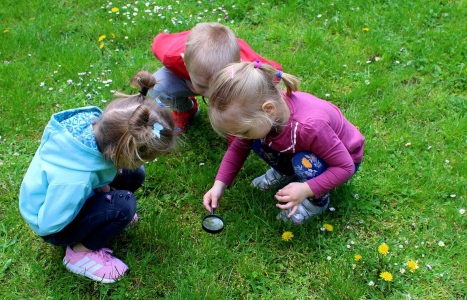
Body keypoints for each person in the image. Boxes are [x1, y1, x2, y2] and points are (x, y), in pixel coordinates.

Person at [19, 71, 175, 283]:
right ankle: (79, 253)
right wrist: (89, 199)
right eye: (142, 159)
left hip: (74, 189)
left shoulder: (99, 129)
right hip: (53, 221)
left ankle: (103, 214)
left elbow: (93, 169)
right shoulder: (74, 180)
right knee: (124, 207)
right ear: (124, 152)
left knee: (134, 175)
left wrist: (99, 185)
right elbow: (48, 224)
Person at [202, 61, 365, 225]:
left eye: (242, 131)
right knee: (256, 141)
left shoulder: (310, 127)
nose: (239, 137)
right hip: (304, 147)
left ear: (268, 110)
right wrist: (219, 185)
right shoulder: (266, 115)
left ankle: (315, 204)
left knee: (303, 161)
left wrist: (305, 189)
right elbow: (238, 148)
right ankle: (287, 172)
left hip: (342, 160)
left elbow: (345, 167)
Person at [150, 21, 287, 189]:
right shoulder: (171, 55)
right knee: (158, 86)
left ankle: (235, 129)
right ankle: (186, 109)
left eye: (216, 88)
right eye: (203, 87)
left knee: (243, 99)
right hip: (187, 78)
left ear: (237, 63)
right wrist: (193, 84)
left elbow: (274, 73)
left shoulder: (247, 66)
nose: (211, 95)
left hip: (231, 80)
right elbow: (158, 41)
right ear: (184, 61)